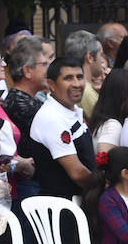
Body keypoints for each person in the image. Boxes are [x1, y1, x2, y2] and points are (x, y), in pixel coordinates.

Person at [28, 57, 94, 198]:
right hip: (64, 208)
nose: (77, 84)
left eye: (80, 77)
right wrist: (107, 188)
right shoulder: (52, 118)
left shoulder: (71, 110)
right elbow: (77, 173)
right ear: (51, 84)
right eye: (68, 78)